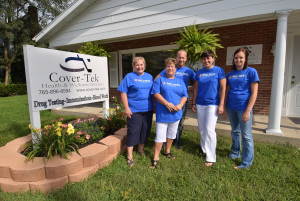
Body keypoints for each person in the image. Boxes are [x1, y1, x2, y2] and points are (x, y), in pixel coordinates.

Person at [225, 47, 259, 169]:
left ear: (245, 59)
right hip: (231, 107)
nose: (238, 60)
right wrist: (224, 107)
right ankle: (235, 152)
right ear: (233, 59)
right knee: (235, 131)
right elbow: (227, 91)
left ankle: (246, 162)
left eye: (241, 58)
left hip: (244, 107)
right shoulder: (230, 74)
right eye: (236, 57)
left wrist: (248, 110)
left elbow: (254, 93)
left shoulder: (251, 72)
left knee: (246, 136)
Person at [150, 58, 188, 168]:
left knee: (171, 134)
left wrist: (180, 105)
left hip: (176, 114)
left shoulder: (180, 82)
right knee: (160, 136)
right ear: (165, 68)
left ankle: (167, 151)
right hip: (163, 114)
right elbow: (156, 94)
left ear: (176, 69)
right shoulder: (160, 80)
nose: (170, 68)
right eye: (168, 66)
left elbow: (185, 96)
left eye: (172, 66)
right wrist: (167, 104)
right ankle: (156, 157)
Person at [192, 50, 226, 167]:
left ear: (213, 58)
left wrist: (221, 105)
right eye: (204, 58)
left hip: (213, 104)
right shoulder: (199, 72)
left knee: (209, 129)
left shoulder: (219, 71)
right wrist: (193, 102)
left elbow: (223, 89)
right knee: (202, 129)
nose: (206, 60)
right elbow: (196, 88)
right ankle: (204, 149)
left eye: (209, 58)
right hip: (200, 103)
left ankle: (211, 157)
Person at [117, 57, 154, 167]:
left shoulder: (149, 77)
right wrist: (127, 108)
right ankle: (129, 156)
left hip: (148, 109)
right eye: (137, 65)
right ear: (134, 66)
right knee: (133, 131)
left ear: (145, 65)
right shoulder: (129, 77)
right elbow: (123, 93)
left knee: (145, 130)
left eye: (141, 64)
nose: (139, 67)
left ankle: (140, 150)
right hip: (134, 110)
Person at [155, 50, 195, 149]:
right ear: (176, 58)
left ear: (186, 59)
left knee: (180, 122)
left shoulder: (188, 71)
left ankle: (177, 140)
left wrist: (189, 90)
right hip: (167, 100)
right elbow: (156, 79)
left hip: (180, 100)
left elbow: (197, 82)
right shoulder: (169, 68)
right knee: (165, 122)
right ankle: (163, 142)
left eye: (183, 58)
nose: (181, 59)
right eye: (179, 57)